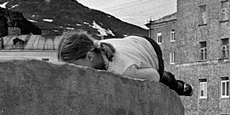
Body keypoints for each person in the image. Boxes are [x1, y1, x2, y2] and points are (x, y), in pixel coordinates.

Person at [57, 31, 193, 96]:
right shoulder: (97, 48)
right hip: (132, 44)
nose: (72, 71)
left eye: (73, 66)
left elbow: (154, 76)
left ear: (89, 56)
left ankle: (178, 86)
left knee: (162, 77)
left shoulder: (123, 71)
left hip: (150, 51)